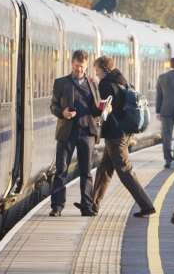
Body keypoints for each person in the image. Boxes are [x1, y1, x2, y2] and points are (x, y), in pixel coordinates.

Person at [90, 56, 157, 218]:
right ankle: (92, 205)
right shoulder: (122, 80)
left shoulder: (106, 85)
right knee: (104, 169)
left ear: (105, 70)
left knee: (125, 171)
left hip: (115, 134)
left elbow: (100, 109)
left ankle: (146, 205)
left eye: (98, 70)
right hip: (121, 131)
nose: (97, 74)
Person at [49, 49, 103, 217]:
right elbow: (53, 105)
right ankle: (57, 206)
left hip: (87, 133)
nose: (79, 69)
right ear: (72, 63)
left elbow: (95, 109)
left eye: (82, 66)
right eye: (76, 65)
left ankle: (86, 206)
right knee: (61, 170)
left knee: (86, 172)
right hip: (67, 133)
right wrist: (61, 112)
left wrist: (103, 108)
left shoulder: (93, 83)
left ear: (86, 66)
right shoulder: (61, 83)